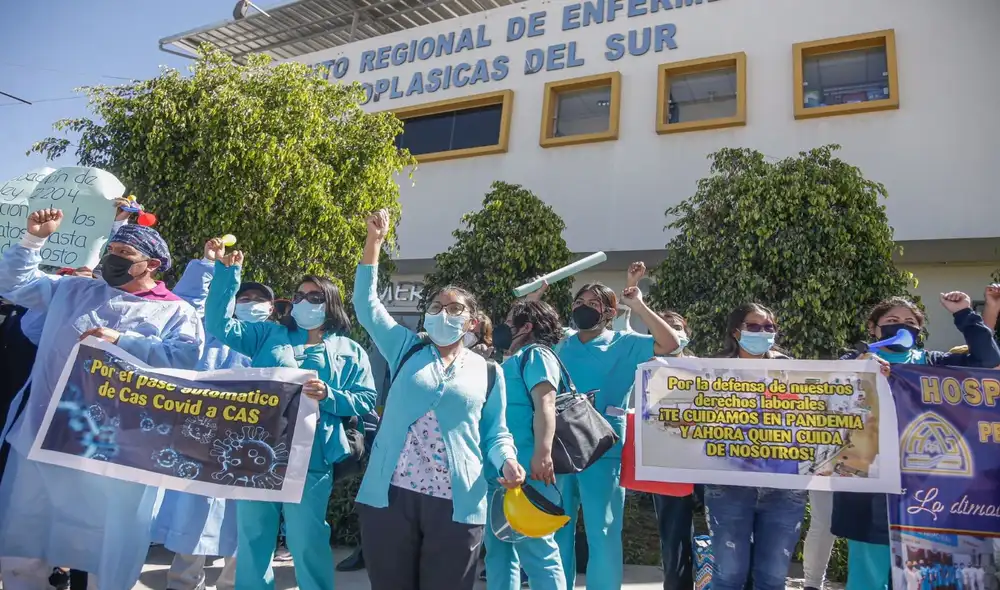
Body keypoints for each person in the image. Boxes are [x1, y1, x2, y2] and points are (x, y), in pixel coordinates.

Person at [0, 209, 203, 590]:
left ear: (152, 265)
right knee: (24, 540)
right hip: (45, 437)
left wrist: (123, 342)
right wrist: (33, 240)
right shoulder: (74, 291)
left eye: (124, 254)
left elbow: (184, 359)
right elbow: (14, 284)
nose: (113, 259)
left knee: (106, 545)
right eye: (112, 250)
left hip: (116, 450)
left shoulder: (176, 311)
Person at [352, 209, 524, 590]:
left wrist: (508, 461)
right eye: (435, 307)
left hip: (457, 503)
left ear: (471, 322)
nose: (442, 313)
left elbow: (496, 432)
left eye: (453, 308)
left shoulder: (488, 371)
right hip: (391, 497)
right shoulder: (406, 349)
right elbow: (366, 306)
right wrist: (374, 243)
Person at [204, 249, 377, 590]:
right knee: (253, 538)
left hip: (311, 456)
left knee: (307, 539)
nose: (304, 301)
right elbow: (217, 325)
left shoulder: (349, 349)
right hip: (257, 451)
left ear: (329, 304)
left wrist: (331, 395)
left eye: (314, 296)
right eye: (299, 295)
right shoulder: (267, 334)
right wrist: (227, 276)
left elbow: (367, 399)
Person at [833, 293, 1000, 590]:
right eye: (892, 321)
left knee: (923, 577)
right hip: (870, 488)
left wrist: (963, 312)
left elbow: (988, 360)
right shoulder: (854, 360)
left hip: (926, 491)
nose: (902, 326)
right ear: (874, 328)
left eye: (910, 322)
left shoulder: (934, 363)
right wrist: (862, 366)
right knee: (867, 578)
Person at [152, 238, 278, 590]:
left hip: (253, 446)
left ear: (272, 309)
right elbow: (187, 306)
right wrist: (209, 266)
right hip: (203, 439)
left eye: (260, 301)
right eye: (245, 299)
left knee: (244, 523)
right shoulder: (212, 333)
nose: (252, 305)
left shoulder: (274, 341)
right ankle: (183, 583)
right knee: (193, 516)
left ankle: (233, 584)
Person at [553, 261, 685, 590]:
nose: (583, 309)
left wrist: (638, 304)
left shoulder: (625, 343)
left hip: (602, 450)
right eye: (579, 303)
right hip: (557, 449)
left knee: (604, 532)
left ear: (610, 313)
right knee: (556, 532)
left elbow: (671, 344)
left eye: (593, 305)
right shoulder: (562, 343)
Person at [702, 303, 806, 590]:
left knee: (772, 579)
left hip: (784, 487)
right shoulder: (711, 371)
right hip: (728, 483)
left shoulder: (793, 369)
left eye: (769, 327)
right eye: (755, 326)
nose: (763, 332)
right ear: (736, 332)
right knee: (728, 576)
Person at [483, 298, 568, 590]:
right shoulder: (513, 360)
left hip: (527, 470)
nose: (503, 329)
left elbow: (545, 404)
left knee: (537, 551)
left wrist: (543, 455)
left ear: (526, 327)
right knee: (499, 549)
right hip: (501, 469)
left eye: (509, 323)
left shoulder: (537, 355)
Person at [648, 310, 704, 590]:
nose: (672, 332)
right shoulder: (645, 369)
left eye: (677, 327)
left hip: (707, 461)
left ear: (687, 332)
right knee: (673, 538)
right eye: (665, 328)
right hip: (668, 462)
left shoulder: (705, 368)